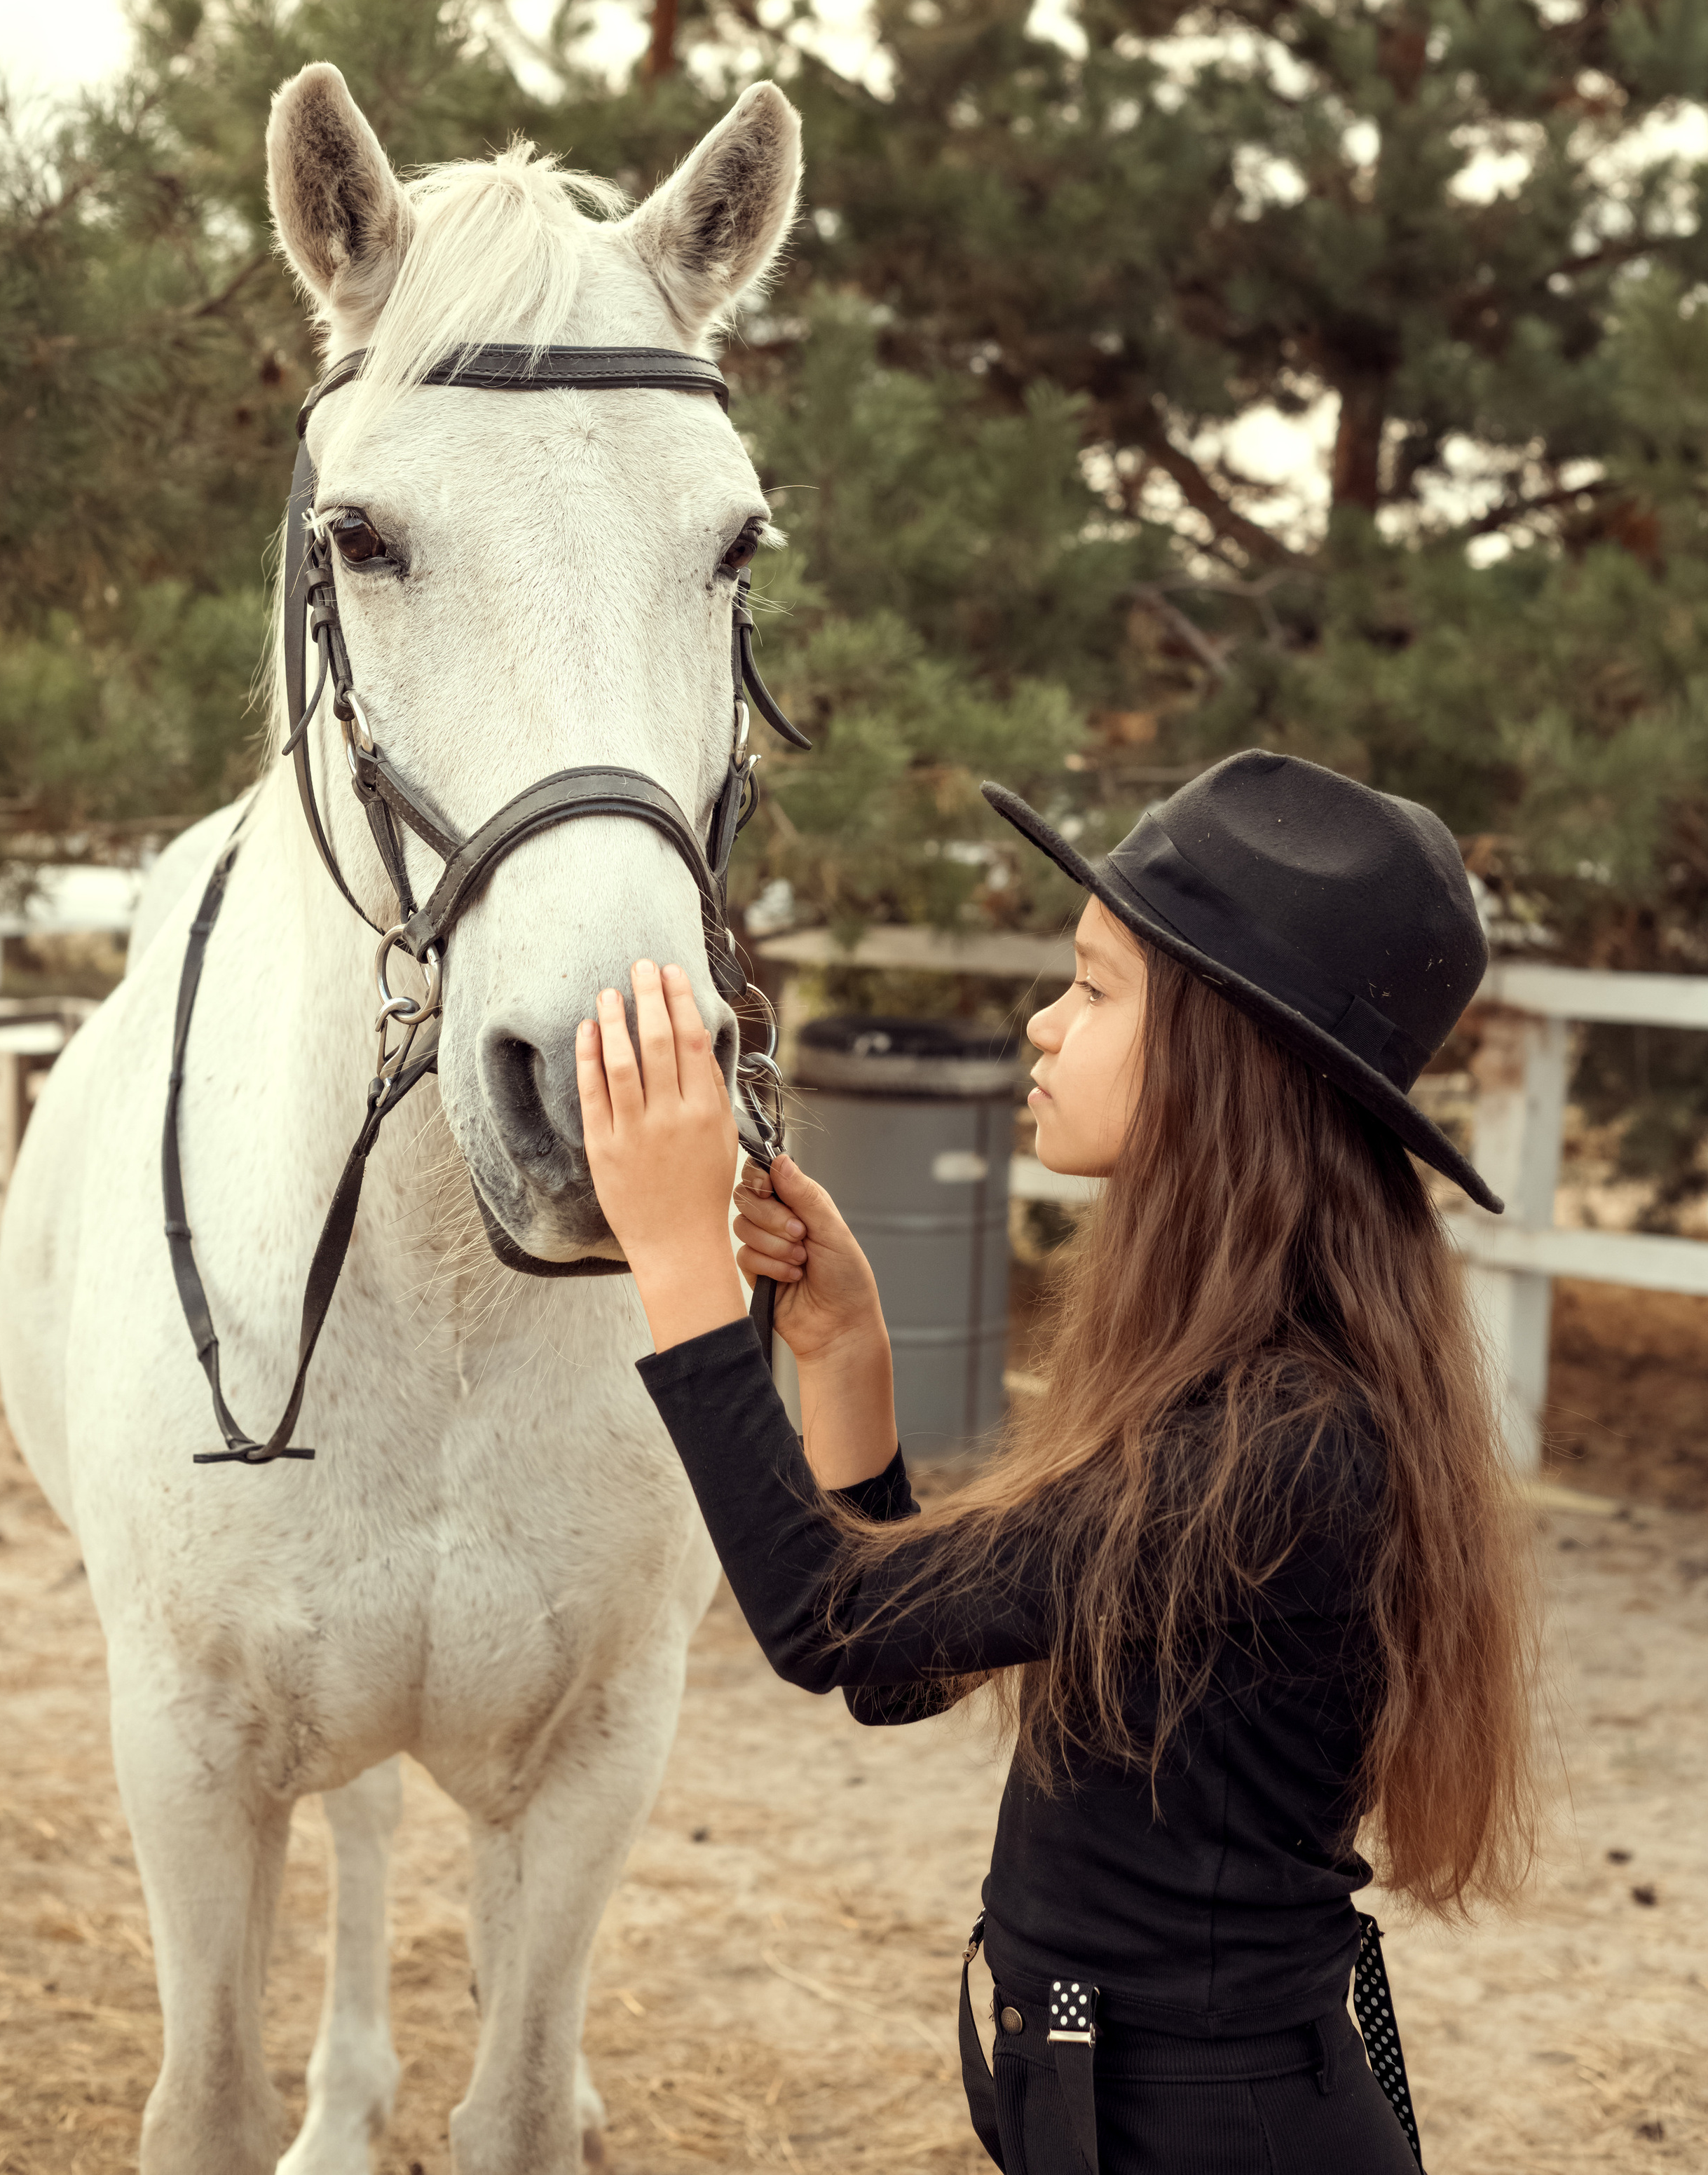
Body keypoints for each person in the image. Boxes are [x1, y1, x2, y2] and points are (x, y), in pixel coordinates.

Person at [574, 749, 1537, 2175]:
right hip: (1113, 2101)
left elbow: (815, 1617)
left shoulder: (1276, 1445)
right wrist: (844, 1357)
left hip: (1217, 2130)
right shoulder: (1221, 1382)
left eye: (1090, 989)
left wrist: (673, 1259)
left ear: (1222, 1058)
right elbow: (897, 1669)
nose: (1039, 1024)